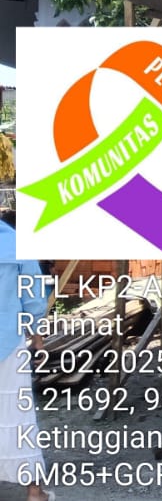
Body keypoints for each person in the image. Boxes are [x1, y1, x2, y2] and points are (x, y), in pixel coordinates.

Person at [0, 215, 51, 501]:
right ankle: (33, 491)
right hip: (8, 340)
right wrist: (38, 337)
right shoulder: (16, 243)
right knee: (17, 416)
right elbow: (32, 295)